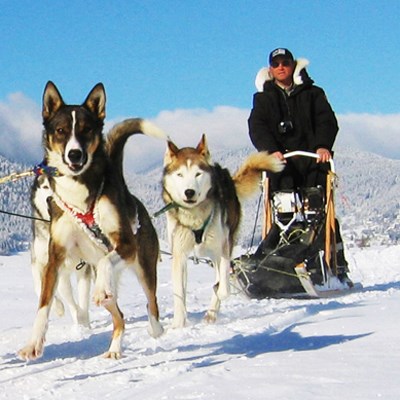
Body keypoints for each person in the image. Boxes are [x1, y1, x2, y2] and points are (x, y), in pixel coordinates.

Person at [247, 47, 351, 284]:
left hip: (313, 162)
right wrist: (271, 150)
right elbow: (257, 127)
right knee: (284, 213)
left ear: (293, 66)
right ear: (270, 70)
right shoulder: (263, 98)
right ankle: (276, 266)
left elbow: (328, 121)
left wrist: (323, 146)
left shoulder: (313, 93)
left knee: (316, 212)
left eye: (285, 62)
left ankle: (331, 266)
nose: (281, 67)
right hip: (282, 166)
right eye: (276, 64)